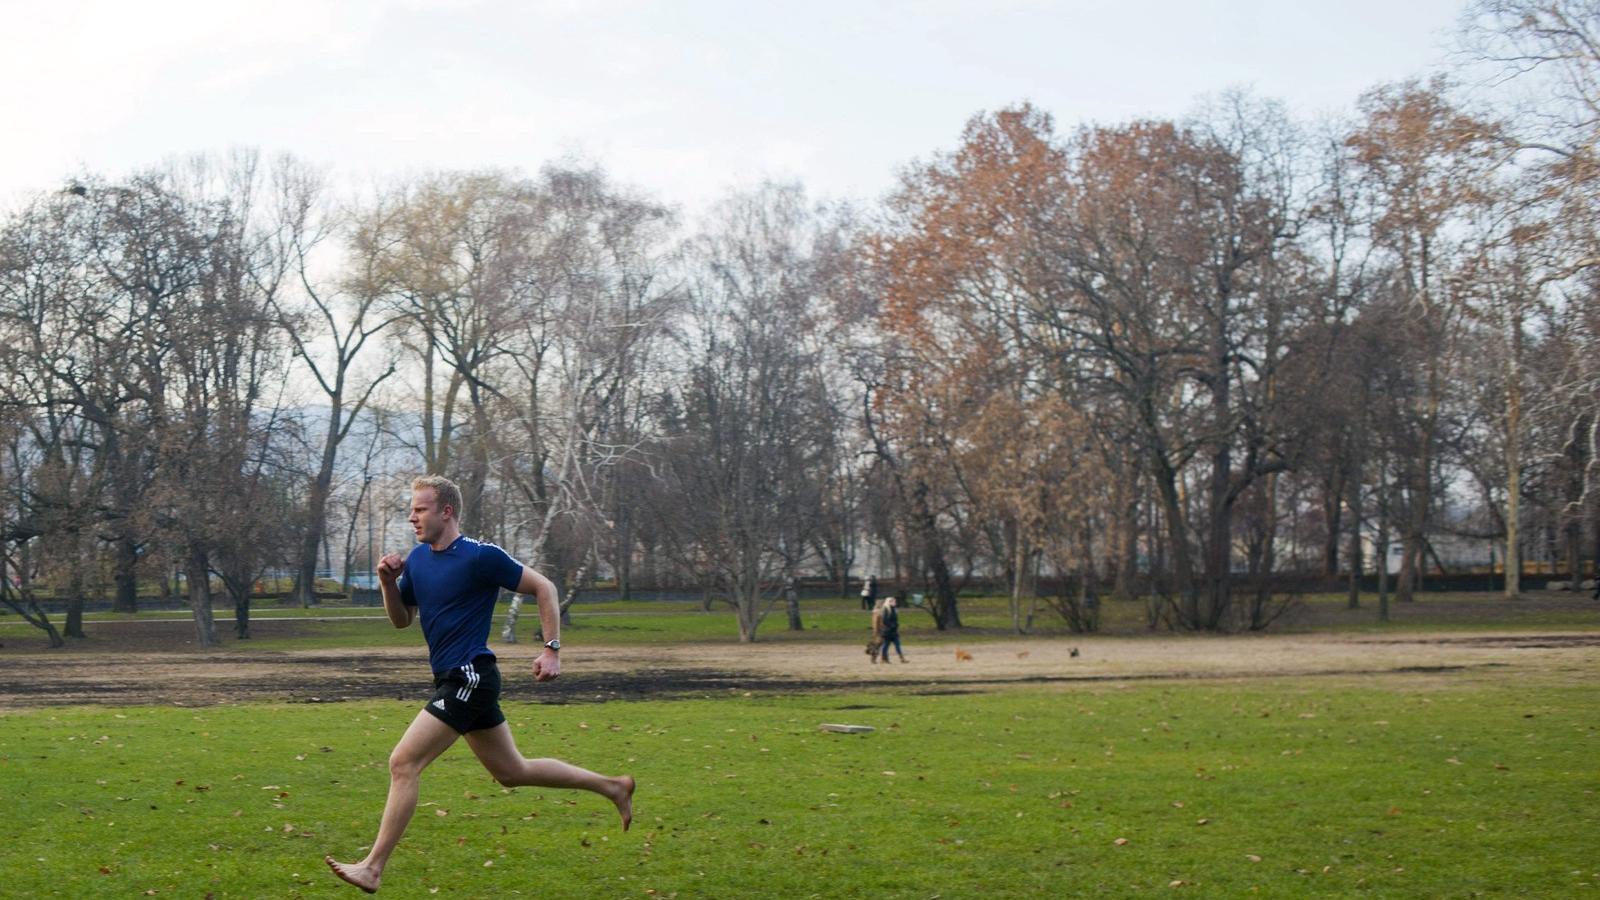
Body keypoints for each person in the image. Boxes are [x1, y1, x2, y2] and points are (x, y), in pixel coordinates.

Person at [326, 475, 634, 894]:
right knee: (512, 771)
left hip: (469, 674)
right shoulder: (417, 561)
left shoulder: (480, 557)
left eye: (420, 509)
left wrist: (552, 649)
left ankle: (373, 867)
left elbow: (544, 586)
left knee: (403, 763)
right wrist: (386, 583)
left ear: (446, 511)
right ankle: (613, 786)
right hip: (456, 678)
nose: (411, 516)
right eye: (412, 509)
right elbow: (402, 620)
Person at [877, 593, 907, 664]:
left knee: (897, 645)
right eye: (893, 601)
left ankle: (902, 658)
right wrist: (891, 625)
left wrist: (896, 625)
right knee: (886, 646)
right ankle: (883, 659)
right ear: (889, 602)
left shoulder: (894, 609)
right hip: (888, 632)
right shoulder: (886, 610)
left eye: (895, 601)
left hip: (893, 631)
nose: (895, 602)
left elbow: (895, 620)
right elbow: (885, 620)